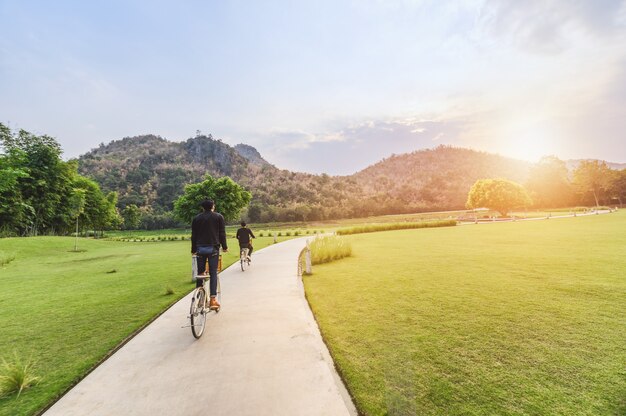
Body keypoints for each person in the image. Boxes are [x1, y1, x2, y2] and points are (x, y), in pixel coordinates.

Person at [191, 199, 228, 310]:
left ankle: (199, 299)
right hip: (213, 249)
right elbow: (222, 233)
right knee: (213, 274)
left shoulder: (196, 218)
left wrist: (193, 249)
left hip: (200, 249)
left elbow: (194, 235)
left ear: (203, 208)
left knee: (200, 273)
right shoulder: (218, 217)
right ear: (213, 206)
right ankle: (212, 300)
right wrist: (225, 247)